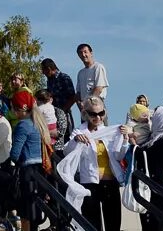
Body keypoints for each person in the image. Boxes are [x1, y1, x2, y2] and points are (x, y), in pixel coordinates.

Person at [59, 97, 127, 231]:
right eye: (93, 114)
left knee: (113, 224)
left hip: (110, 183)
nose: (98, 117)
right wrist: (76, 140)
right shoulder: (79, 132)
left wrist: (124, 139)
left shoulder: (110, 132)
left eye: (101, 113)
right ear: (85, 114)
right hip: (90, 184)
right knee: (92, 224)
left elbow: (119, 155)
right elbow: (67, 151)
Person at [3, 91, 47, 231]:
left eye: (13, 108)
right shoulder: (38, 123)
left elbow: (15, 153)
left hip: (28, 171)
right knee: (34, 209)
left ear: (20, 109)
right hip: (40, 170)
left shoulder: (23, 125)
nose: (12, 112)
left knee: (26, 210)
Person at [41, 58, 78, 140]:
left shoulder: (64, 78)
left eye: (43, 70)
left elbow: (73, 97)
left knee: (66, 138)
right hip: (53, 116)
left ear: (49, 69)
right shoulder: (49, 81)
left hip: (65, 115)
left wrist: (63, 111)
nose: (43, 73)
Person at [75, 44, 109, 122]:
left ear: (91, 53)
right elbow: (78, 93)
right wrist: (80, 105)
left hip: (97, 105)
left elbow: (99, 88)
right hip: (85, 108)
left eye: (85, 52)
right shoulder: (80, 73)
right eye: (80, 53)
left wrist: (88, 102)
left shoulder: (98, 67)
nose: (83, 55)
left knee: (100, 131)